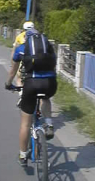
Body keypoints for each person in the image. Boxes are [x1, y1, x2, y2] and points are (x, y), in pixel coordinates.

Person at [5, 26, 57, 167]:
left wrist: (8, 84)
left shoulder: (22, 48)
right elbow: (54, 66)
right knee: (45, 98)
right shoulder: (49, 48)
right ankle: (49, 124)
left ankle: (23, 156)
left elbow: (13, 71)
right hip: (50, 83)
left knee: (25, 124)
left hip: (31, 84)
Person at [10, 21, 34, 86]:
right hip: (36, 59)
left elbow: (14, 49)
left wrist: (12, 63)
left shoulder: (20, 36)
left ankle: (21, 91)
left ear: (23, 28)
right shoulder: (38, 36)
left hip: (22, 59)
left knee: (19, 78)